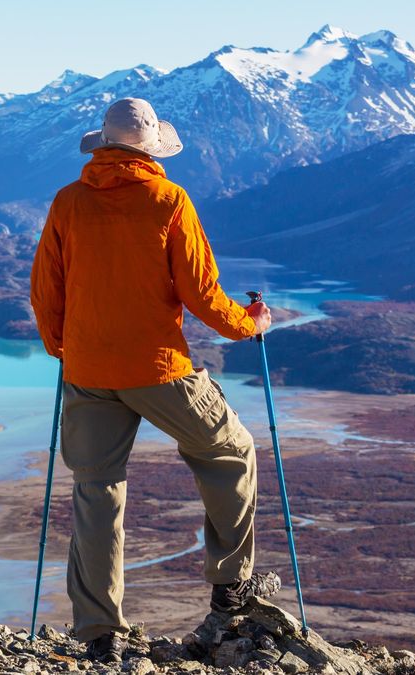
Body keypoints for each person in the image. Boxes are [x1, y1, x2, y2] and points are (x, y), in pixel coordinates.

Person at [29, 97, 280, 664]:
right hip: (160, 370)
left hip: (88, 372)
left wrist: (63, 348)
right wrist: (251, 324)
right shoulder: (168, 200)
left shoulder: (68, 202)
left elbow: (46, 288)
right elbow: (200, 292)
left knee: (97, 491)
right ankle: (231, 583)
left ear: (104, 146)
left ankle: (97, 630)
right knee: (231, 453)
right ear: (149, 150)